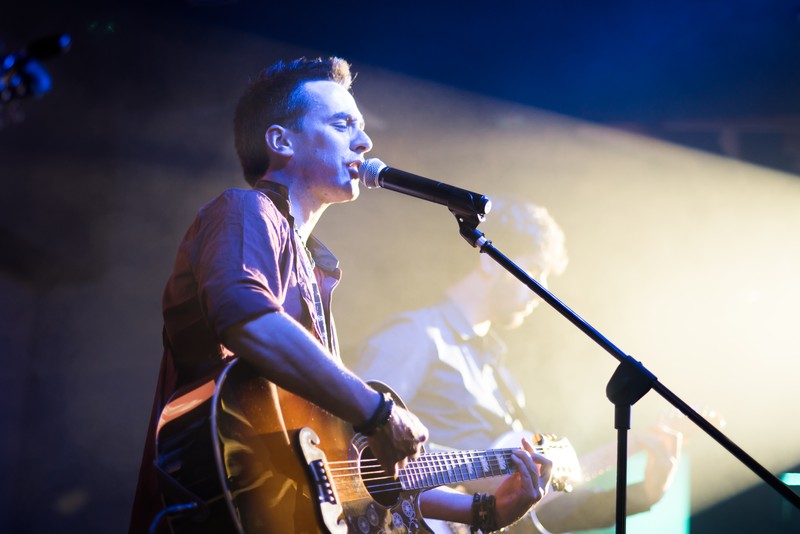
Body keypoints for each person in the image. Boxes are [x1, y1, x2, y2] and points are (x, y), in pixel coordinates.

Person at [129, 57, 554, 533]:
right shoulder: (244, 210)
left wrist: (484, 511)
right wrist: (378, 411)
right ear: (281, 141)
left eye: (362, 127)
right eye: (341, 124)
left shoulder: (315, 268)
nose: (365, 142)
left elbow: (346, 471)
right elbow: (247, 319)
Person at [349, 198, 683, 533]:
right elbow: (350, 445)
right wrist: (473, 476)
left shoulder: (501, 379)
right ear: (489, 262)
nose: (542, 290)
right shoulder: (417, 335)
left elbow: (533, 514)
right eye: (535, 269)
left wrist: (643, 492)